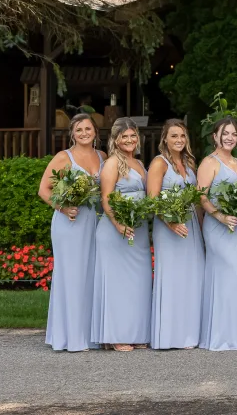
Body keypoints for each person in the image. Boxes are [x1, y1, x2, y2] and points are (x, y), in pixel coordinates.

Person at [38, 113, 105, 352]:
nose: (84, 133)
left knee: (92, 275)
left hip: (96, 223)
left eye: (88, 128)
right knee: (72, 277)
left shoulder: (103, 156)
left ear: (95, 132)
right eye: (79, 130)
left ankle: (91, 335)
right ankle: (70, 336)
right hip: (70, 223)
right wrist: (63, 207)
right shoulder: (63, 158)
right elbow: (43, 190)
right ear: (72, 134)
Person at [93, 117, 151, 351]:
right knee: (117, 284)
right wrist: (119, 225)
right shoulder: (112, 164)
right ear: (115, 140)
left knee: (138, 282)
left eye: (133, 136)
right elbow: (106, 199)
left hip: (138, 230)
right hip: (116, 230)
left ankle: (135, 332)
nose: (129, 140)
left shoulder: (139, 163)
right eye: (124, 136)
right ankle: (116, 335)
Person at [148, 119, 204, 350]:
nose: (179, 140)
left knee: (192, 276)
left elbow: (197, 201)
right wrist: (170, 222)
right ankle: (169, 336)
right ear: (165, 139)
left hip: (190, 225)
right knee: (171, 278)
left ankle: (189, 334)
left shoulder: (189, 163)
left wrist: (201, 230)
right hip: (168, 227)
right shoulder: (159, 163)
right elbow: (152, 199)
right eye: (174, 136)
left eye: (182, 136)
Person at [197, 117, 237, 351]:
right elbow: (202, 197)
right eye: (225, 133)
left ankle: (232, 335)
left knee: (234, 277)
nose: (229, 137)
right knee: (222, 274)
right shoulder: (209, 162)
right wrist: (220, 216)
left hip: (236, 226)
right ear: (215, 136)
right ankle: (218, 336)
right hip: (218, 225)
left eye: (234, 134)